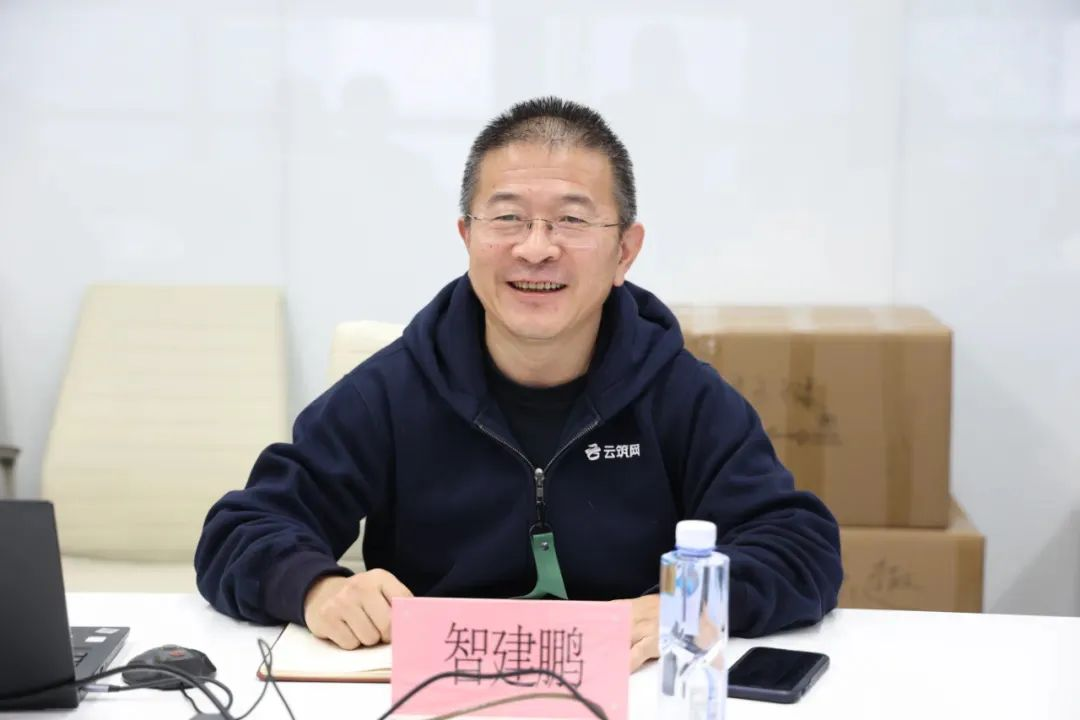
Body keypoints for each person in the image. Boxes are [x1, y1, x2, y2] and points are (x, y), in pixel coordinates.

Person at [195, 97, 842, 671]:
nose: (536, 248)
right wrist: (317, 588)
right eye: (507, 218)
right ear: (467, 236)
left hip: (633, 688)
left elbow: (801, 547)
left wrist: (691, 604)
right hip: (438, 690)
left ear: (624, 251)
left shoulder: (682, 395)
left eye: (572, 220)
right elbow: (242, 528)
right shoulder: (390, 391)